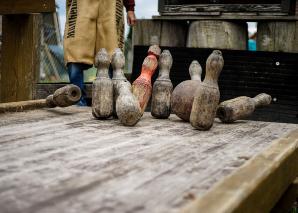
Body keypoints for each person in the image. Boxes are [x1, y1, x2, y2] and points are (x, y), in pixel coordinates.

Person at [64, 0, 136, 106]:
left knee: (112, 55)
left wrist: (130, 8)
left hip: (110, 4)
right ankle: (77, 102)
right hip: (81, 4)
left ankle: (108, 103)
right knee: (74, 51)